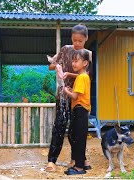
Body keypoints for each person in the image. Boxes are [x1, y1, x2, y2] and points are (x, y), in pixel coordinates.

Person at [45, 23, 92, 172]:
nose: (77, 44)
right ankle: (52, 161)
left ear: (86, 39)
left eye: (80, 41)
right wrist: (57, 66)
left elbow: (86, 76)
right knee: (59, 125)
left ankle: (77, 159)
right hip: (64, 95)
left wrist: (69, 74)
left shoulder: (88, 54)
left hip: (78, 98)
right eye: (74, 40)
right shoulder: (65, 49)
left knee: (76, 130)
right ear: (71, 38)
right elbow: (51, 66)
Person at [63, 49, 91, 175]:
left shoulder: (81, 77)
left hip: (80, 109)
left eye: (76, 61)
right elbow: (77, 94)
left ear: (84, 63)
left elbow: (74, 97)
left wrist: (65, 90)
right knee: (75, 136)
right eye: (72, 61)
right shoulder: (83, 77)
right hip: (81, 110)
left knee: (77, 138)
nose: (73, 64)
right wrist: (71, 90)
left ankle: (79, 167)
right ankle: (84, 162)